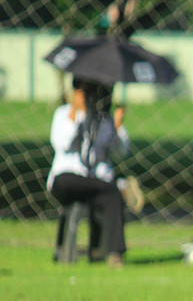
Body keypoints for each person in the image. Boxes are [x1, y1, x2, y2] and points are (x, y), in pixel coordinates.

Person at [47, 77, 141, 266]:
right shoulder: (63, 114)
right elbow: (62, 144)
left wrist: (118, 124)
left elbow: (121, 151)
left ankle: (114, 253)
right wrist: (76, 111)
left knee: (111, 194)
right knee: (108, 188)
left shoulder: (104, 120)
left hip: (96, 182)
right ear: (75, 92)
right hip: (67, 179)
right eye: (85, 92)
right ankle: (121, 186)